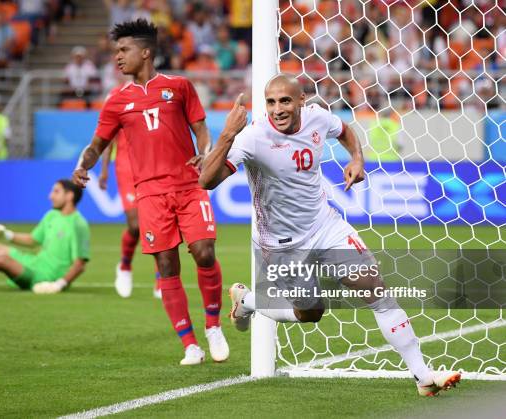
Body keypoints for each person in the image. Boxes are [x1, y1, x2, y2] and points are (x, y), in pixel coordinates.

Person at [199, 73, 461, 396]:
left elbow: (346, 131)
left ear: (301, 102)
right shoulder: (251, 138)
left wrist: (357, 158)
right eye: (270, 102)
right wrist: (227, 133)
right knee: (310, 312)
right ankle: (249, 300)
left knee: (375, 289)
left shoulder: (317, 119)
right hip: (282, 244)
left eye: (285, 101)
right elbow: (206, 181)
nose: (277, 109)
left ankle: (422, 376)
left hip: (325, 226)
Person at [73, 19, 228, 366]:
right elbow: (97, 144)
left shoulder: (180, 87)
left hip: (189, 185)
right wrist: (85, 164)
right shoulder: (117, 101)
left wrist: (205, 153)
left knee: (204, 252)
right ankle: (190, 344)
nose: (117, 57)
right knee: (166, 264)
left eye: (123, 50)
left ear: (145, 52)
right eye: (116, 51)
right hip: (150, 194)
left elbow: (201, 129)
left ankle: (213, 325)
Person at [99, 126, 161, 299]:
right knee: (135, 226)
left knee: (157, 224)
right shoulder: (117, 99)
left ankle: (161, 276)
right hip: (127, 168)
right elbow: (108, 138)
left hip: (154, 167)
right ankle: (125, 265)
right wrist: (104, 170)